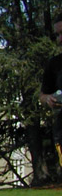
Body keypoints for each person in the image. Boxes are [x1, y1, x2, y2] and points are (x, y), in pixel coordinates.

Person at [40, 13, 62, 166]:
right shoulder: (54, 64)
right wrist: (48, 99)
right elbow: (43, 94)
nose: (60, 39)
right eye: (58, 35)